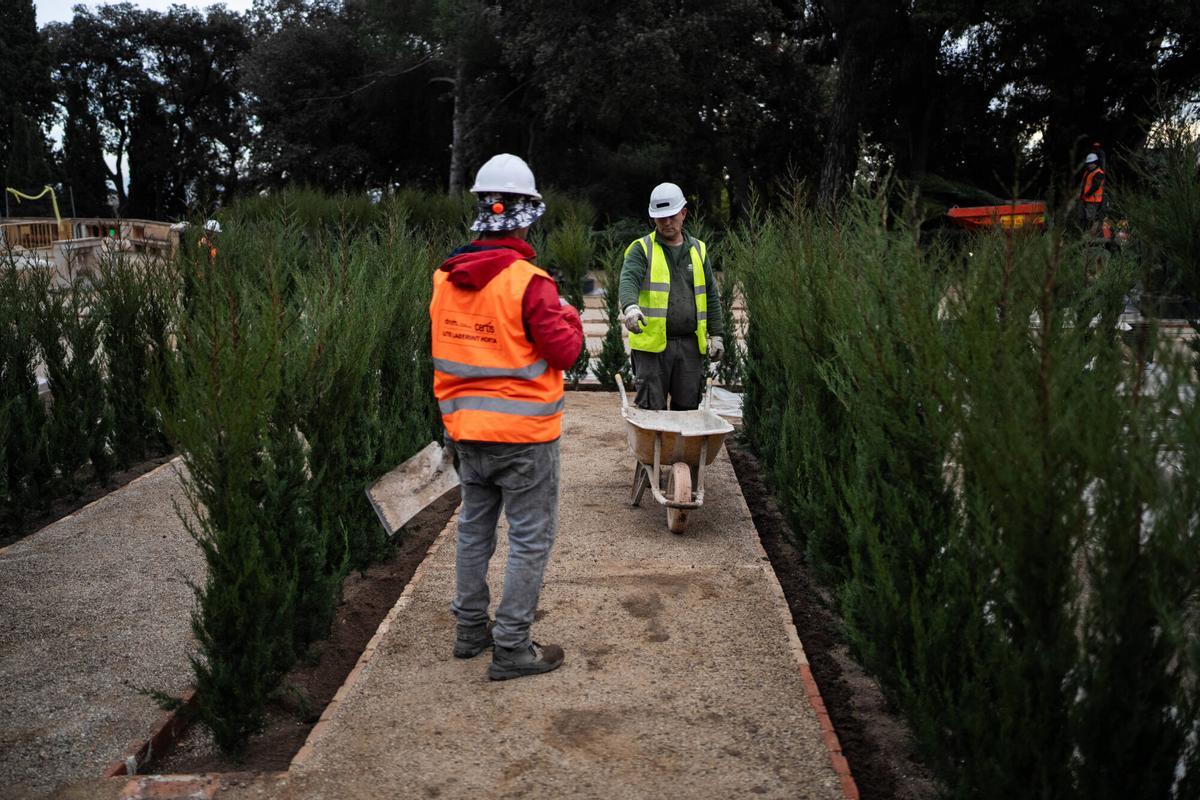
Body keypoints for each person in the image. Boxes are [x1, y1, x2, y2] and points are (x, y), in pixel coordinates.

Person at [429, 153, 583, 681]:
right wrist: (570, 318)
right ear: (527, 216)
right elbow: (564, 353)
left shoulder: (445, 278)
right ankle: (512, 646)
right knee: (529, 539)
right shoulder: (531, 283)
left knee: (474, 531)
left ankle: (470, 631)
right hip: (523, 438)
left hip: (466, 433)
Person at [618, 182, 724, 410]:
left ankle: (682, 448)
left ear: (683, 213)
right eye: (660, 217)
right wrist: (631, 308)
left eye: (672, 216)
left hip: (689, 345)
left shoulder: (698, 250)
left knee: (687, 411)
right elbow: (628, 281)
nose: (666, 222)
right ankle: (653, 448)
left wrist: (717, 334)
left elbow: (711, 296)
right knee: (651, 411)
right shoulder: (641, 249)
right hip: (651, 348)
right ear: (653, 218)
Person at [1080, 152, 1105, 234]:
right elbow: (1084, 186)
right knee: (1085, 218)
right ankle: (1086, 235)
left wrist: (1086, 195)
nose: (1089, 165)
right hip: (1086, 200)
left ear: (1095, 163)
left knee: (1090, 219)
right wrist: (1082, 196)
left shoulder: (1099, 173)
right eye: (1088, 163)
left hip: (1093, 201)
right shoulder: (1088, 172)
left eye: (1091, 163)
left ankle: (1090, 237)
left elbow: (1095, 186)